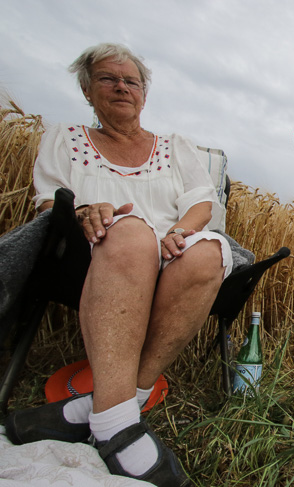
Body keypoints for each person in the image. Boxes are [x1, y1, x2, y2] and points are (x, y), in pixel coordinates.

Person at [4, 43, 234, 486]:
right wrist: (83, 211)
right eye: (109, 79)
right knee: (129, 230)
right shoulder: (67, 139)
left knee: (208, 253)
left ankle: (99, 407)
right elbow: (51, 201)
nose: (122, 87)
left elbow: (202, 203)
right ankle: (117, 427)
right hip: (91, 256)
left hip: (172, 253)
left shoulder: (174, 147)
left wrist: (179, 232)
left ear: (144, 95)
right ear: (88, 91)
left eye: (131, 81)